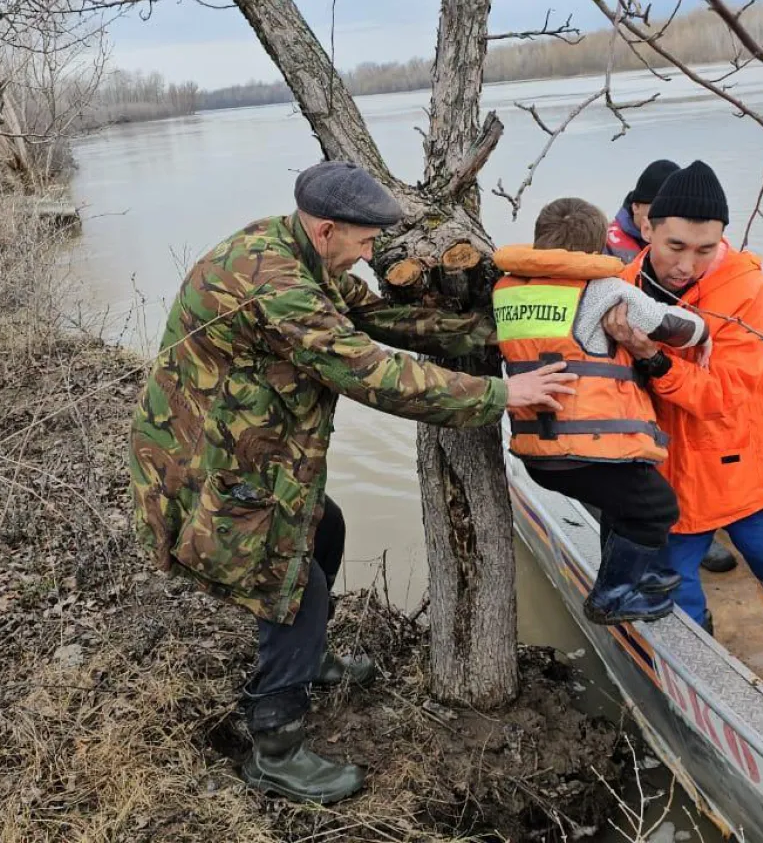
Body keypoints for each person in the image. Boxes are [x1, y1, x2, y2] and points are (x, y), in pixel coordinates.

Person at [127, 160, 576, 805]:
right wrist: (504, 393)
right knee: (293, 581)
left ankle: (306, 661)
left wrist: (490, 330)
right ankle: (274, 743)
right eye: (364, 242)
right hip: (204, 463)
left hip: (248, 451)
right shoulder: (276, 283)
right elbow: (369, 371)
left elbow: (375, 320)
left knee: (325, 526)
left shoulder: (301, 253)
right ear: (328, 227)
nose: (370, 256)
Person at [605, 160, 763, 681]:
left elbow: (726, 394)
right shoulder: (618, 288)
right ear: (646, 228)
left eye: (705, 250)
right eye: (676, 247)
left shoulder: (750, 293)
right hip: (670, 479)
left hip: (751, 471)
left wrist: (653, 359)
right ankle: (703, 681)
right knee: (674, 596)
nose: (687, 264)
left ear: (721, 241)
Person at [494, 197, 707, 624]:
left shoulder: (505, 291)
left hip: (537, 449)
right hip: (589, 448)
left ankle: (639, 576)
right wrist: (705, 329)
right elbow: (678, 329)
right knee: (656, 508)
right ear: (598, 249)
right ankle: (611, 597)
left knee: (627, 503)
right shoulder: (604, 289)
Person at [606, 159, 679, 263]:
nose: (668, 216)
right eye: (659, 208)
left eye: (676, 209)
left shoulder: (694, 244)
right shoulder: (604, 245)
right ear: (635, 206)